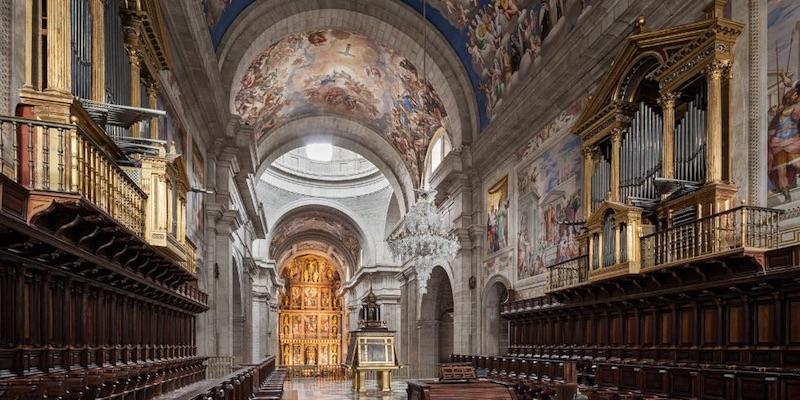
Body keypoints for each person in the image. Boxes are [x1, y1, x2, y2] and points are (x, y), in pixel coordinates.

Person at [768, 72, 800, 202]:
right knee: (781, 170)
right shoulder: (781, 111)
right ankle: (787, 197)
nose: (792, 96)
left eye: (794, 94)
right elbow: (772, 128)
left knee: (797, 164)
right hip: (777, 143)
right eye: (791, 95)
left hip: (791, 141)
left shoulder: (796, 108)